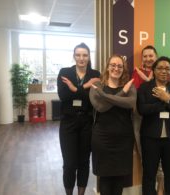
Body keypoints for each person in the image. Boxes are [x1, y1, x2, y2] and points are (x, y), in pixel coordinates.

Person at [137, 56, 170, 195]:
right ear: (154, 70)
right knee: (149, 174)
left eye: (167, 68)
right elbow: (142, 110)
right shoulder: (145, 88)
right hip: (150, 138)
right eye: (160, 68)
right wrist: (165, 100)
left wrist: (168, 100)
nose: (164, 71)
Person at [57, 42, 100, 195]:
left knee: (83, 162)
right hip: (68, 123)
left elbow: (94, 99)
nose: (81, 58)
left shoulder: (96, 75)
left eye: (85, 55)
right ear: (74, 56)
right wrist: (86, 86)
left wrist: (75, 89)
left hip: (87, 123)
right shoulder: (65, 72)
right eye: (78, 55)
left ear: (89, 57)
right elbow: (63, 96)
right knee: (69, 163)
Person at [89, 54, 136, 195]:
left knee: (119, 177)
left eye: (120, 66)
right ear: (108, 67)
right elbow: (101, 107)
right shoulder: (97, 85)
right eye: (113, 65)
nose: (116, 68)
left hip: (124, 139)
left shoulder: (129, 86)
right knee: (104, 177)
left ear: (123, 68)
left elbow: (131, 103)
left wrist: (104, 95)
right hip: (102, 139)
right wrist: (123, 93)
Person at [131, 45, 165, 194]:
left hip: (159, 118)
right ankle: (149, 189)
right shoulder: (136, 73)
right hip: (139, 118)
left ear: (156, 57)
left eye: (151, 56)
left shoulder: (164, 73)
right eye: (145, 56)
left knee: (162, 157)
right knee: (146, 156)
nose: (148, 59)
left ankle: (161, 189)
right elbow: (134, 95)